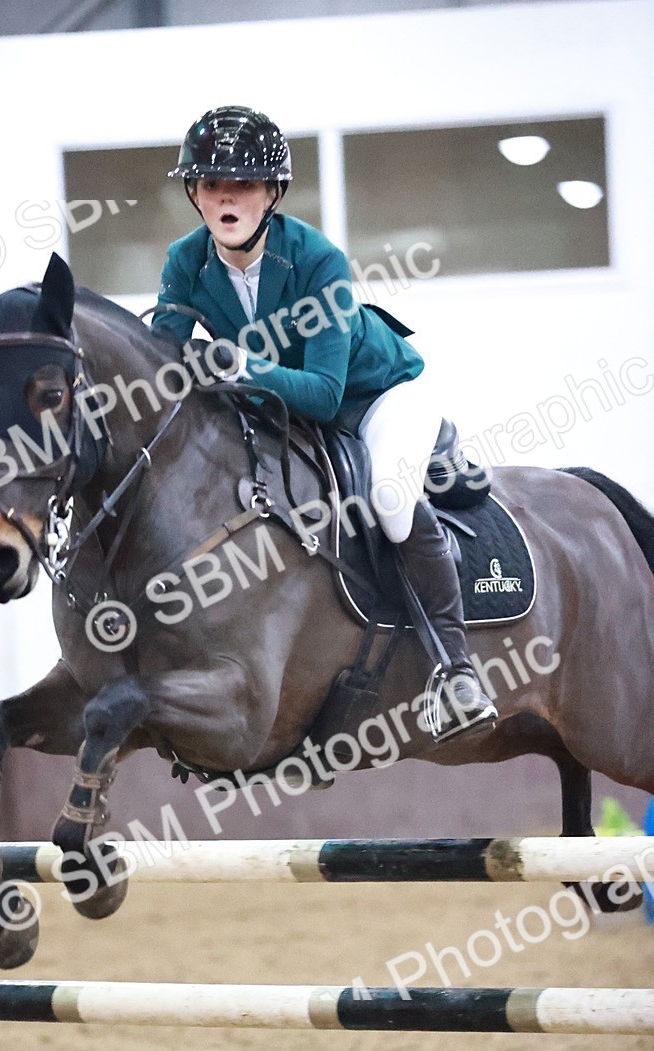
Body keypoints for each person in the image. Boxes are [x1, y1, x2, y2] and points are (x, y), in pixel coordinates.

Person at [152, 104, 497, 743]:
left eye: (245, 184)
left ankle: (456, 671)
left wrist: (234, 363)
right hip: (283, 402)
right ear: (193, 193)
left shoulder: (317, 261)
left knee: (390, 499)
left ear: (272, 193)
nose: (227, 196)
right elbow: (159, 363)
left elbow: (323, 392)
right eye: (211, 183)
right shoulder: (185, 262)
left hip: (377, 395)